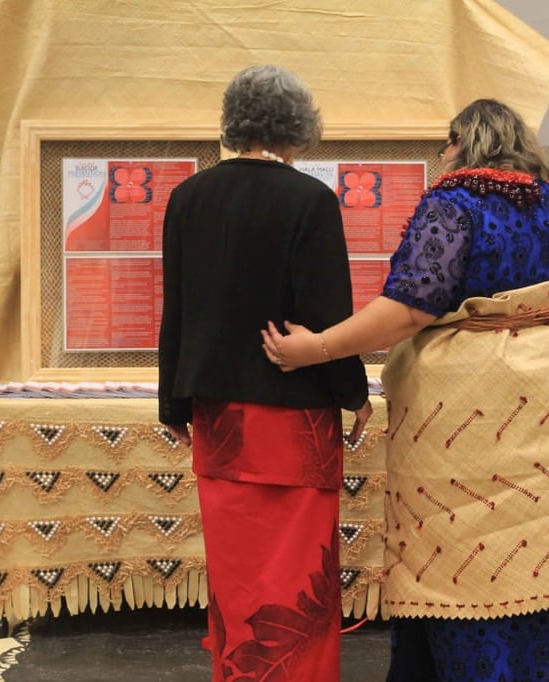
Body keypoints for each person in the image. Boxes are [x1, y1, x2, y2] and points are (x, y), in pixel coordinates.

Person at [262, 98, 549, 681]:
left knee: (471, 558)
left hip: (478, 414)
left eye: (446, 145)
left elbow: (409, 309)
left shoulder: (453, 204)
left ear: (461, 143)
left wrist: (318, 348)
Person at [157, 64, 372, 681]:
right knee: (297, 573)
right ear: (297, 127)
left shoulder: (188, 197)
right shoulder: (310, 200)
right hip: (296, 416)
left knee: (238, 573)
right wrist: (354, 393)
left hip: (219, 417)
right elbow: (326, 312)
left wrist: (173, 403)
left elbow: (177, 309)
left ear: (233, 121)